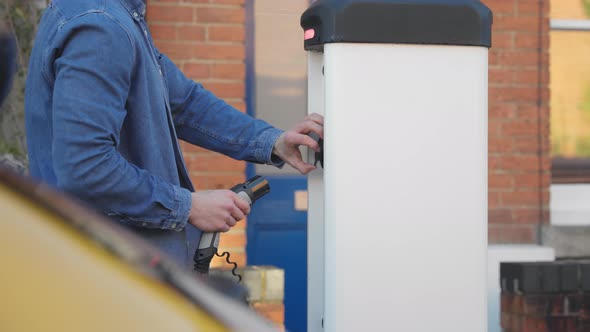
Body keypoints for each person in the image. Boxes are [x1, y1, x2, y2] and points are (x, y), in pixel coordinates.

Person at [24, 0, 323, 269]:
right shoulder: (101, 26)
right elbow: (85, 166)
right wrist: (187, 205)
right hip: (110, 275)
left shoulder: (119, 19)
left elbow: (185, 103)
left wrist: (272, 141)